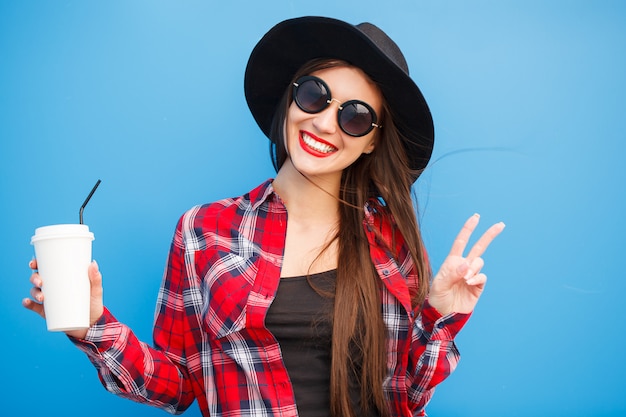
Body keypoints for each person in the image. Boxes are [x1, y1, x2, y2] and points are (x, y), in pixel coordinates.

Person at [23, 16, 505, 417]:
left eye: (354, 116)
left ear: (372, 140)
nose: (323, 123)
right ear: (291, 97)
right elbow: (175, 387)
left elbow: (406, 398)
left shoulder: (391, 241)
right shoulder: (204, 231)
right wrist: (91, 326)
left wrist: (440, 314)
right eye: (316, 96)